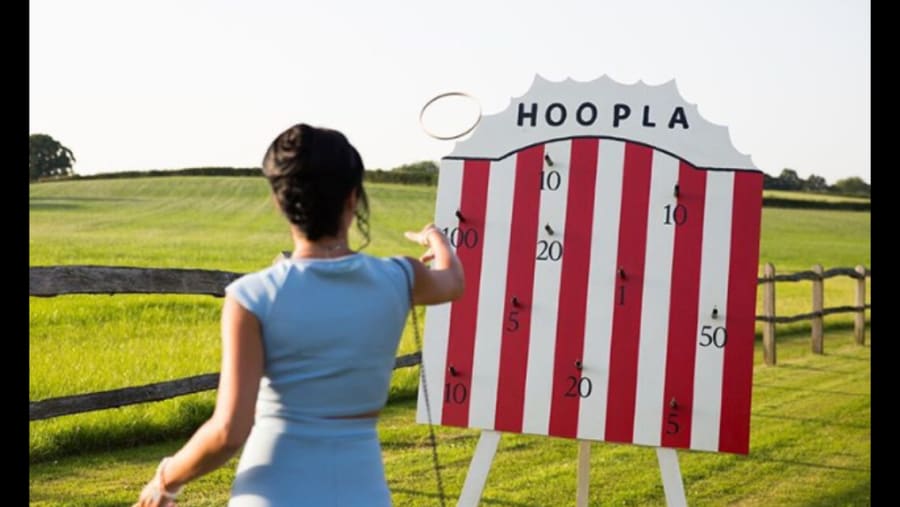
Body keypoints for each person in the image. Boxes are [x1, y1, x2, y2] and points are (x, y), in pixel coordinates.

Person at [134, 123, 465, 506]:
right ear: (353, 198)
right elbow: (453, 281)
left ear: (280, 202)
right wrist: (436, 238)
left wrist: (164, 481)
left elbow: (228, 432)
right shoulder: (401, 277)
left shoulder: (251, 296)